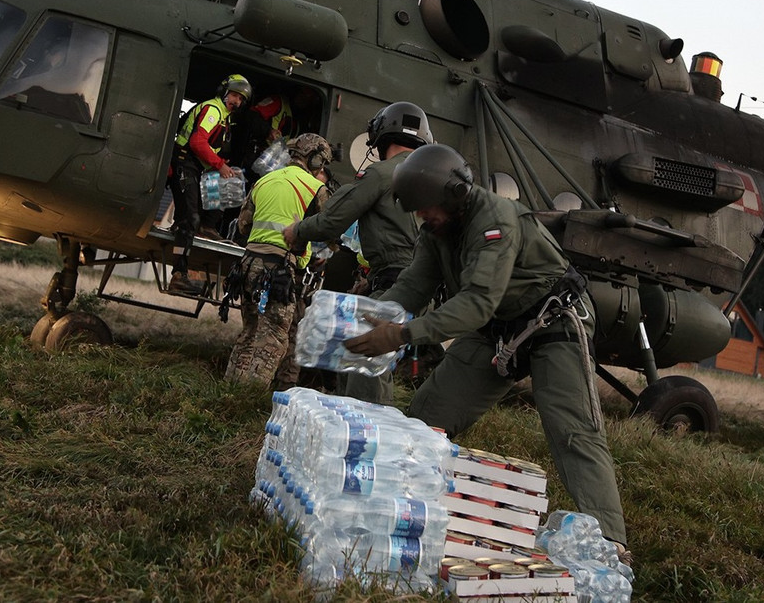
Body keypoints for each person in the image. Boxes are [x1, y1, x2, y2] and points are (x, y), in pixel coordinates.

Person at [343, 143, 629, 556]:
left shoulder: (496, 220)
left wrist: (401, 335)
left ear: (454, 195)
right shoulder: (438, 231)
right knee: (425, 421)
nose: (423, 218)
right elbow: (414, 285)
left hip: (553, 320)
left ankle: (609, 543)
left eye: (427, 208)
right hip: (496, 329)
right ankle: (407, 506)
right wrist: (376, 313)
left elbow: (477, 301)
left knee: (572, 431)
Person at [281, 101, 433, 405]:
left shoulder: (381, 174)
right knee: (367, 352)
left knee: (364, 351)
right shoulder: (429, 176)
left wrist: (296, 231)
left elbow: (331, 222)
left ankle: (365, 429)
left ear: (381, 138)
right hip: (419, 283)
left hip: (397, 281)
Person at [225, 133, 333, 387]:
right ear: (315, 160)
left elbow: (242, 226)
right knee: (273, 338)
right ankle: (248, 398)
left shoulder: (264, 180)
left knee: (249, 332)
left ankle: (229, 390)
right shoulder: (316, 188)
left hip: (248, 265)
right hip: (279, 271)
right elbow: (331, 229)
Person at [168, 74, 252, 294]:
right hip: (185, 163)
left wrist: (223, 167)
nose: (237, 102)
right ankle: (179, 275)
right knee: (188, 219)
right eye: (234, 95)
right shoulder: (213, 111)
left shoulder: (224, 115)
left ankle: (208, 227)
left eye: (241, 99)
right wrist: (219, 165)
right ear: (224, 93)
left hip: (198, 166)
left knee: (231, 180)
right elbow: (197, 142)